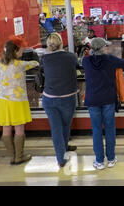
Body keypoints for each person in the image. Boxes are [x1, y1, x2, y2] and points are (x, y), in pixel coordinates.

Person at [82, 38, 124, 169]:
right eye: (105, 47)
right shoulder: (110, 60)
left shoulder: (86, 61)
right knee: (110, 129)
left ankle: (99, 161)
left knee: (96, 130)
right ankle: (111, 159)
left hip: (93, 100)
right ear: (103, 48)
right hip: (108, 99)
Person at [41, 33, 80, 167]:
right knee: (65, 125)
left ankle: (61, 154)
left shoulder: (44, 58)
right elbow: (77, 66)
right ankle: (61, 155)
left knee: (56, 128)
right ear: (61, 43)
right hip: (67, 98)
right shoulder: (70, 56)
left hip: (49, 98)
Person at [0, 36, 38, 165]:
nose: (22, 52)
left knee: (6, 129)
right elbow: (36, 63)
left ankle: (12, 157)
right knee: (19, 129)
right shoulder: (20, 64)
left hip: (2, 101)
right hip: (17, 101)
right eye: (21, 50)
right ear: (15, 51)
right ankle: (19, 157)